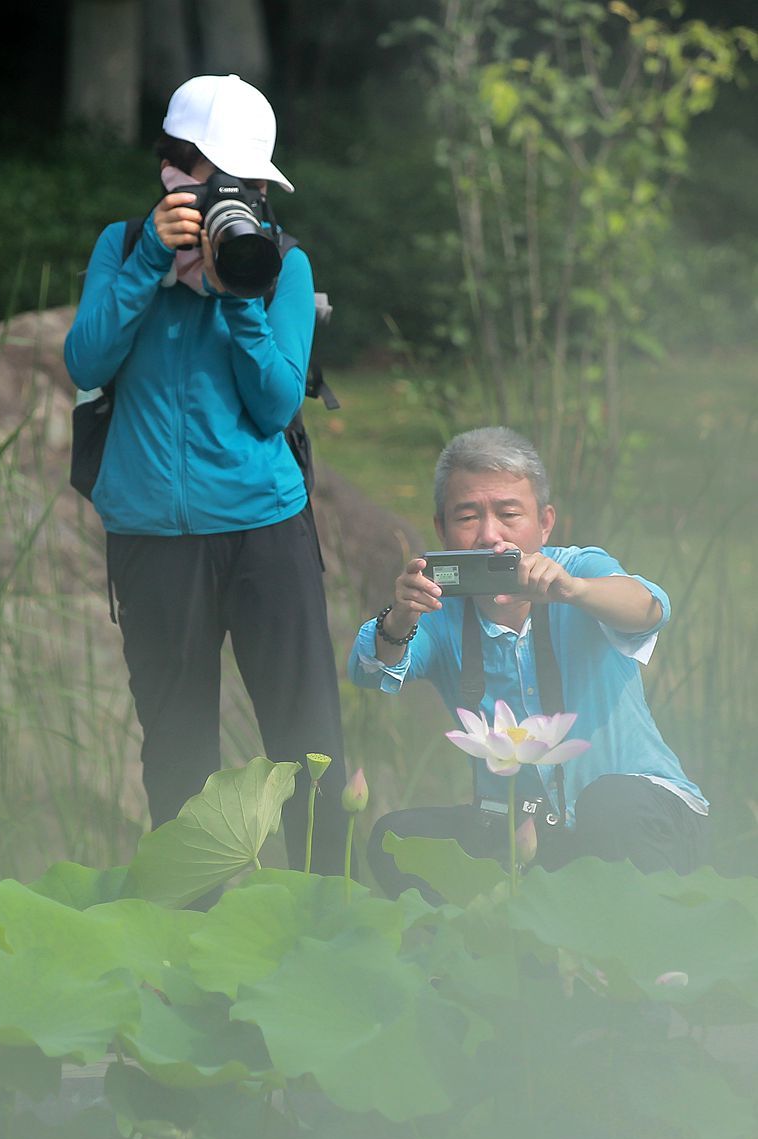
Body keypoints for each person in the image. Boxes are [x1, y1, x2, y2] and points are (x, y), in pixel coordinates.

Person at [65, 74, 347, 873]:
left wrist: (239, 295)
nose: (235, 199)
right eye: (214, 180)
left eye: (250, 185)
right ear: (172, 171)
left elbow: (271, 407)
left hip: (264, 530)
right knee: (177, 746)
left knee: (306, 738)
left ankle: (330, 913)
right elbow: (84, 361)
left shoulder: (282, 264)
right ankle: (189, 934)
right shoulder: (122, 250)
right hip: (152, 535)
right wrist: (152, 260)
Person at [348, 426, 709, 896]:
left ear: (545, 522)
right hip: (525, 830)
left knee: (609, 805)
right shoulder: (436, 610)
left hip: (643, 813)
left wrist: (572, 593)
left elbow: (649, 608)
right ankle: (474, 964)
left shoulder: (579, 569)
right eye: (467, 516)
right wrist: (399, 618)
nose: (489, 535)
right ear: (441, 529)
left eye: (508, 513)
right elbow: (370, 669)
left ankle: (646, 964)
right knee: (397, 838)